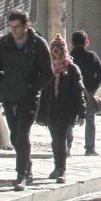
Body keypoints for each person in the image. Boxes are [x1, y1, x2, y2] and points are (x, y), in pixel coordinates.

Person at [0, 10, 52, 191]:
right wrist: (1, 84)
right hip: (9, 95)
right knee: (14, 134)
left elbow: (47, 73)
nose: (14, 30)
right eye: (11, 27)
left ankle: (21, 174)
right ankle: (27, 166)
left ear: (26, 25)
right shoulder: (4, 43)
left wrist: (33, 88)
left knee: (22, 133)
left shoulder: (37, 44)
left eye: (17, 27)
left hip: (29, 97)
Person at [38, 34, 86, 183]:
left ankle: (61, 169)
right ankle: (57, 166)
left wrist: (82, 113)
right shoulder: (47, 69)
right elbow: (43, 91)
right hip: (51, 110)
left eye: (59, 55)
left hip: (67, 110)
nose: (57, 60)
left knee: (60, 139)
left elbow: (79, 92)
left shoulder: (72, 69)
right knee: (55, 140)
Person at [69, 30, 101, 156]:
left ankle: (67, 147)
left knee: (70, 120)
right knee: (90, 120)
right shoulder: (91, 56)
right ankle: (90, 148)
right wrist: (92, 86)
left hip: (72, 92)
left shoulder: (69, 57)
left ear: (71, 42)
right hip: (89, 92)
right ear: (86, 41)